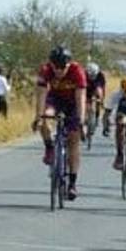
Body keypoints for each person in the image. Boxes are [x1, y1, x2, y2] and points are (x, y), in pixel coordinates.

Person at [33, 46, 87, 200]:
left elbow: (80, 98)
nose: (58, 71)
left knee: (73, 140)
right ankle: (49, 147)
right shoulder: (46, 70)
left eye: (62, 67)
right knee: (45, 117)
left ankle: (72, 183)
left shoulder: (77, 72)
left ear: (68, 64)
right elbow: (41, 95)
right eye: (55, 67)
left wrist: (81, 121)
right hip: (54, 100)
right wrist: (38, 117)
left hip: (72, 103)